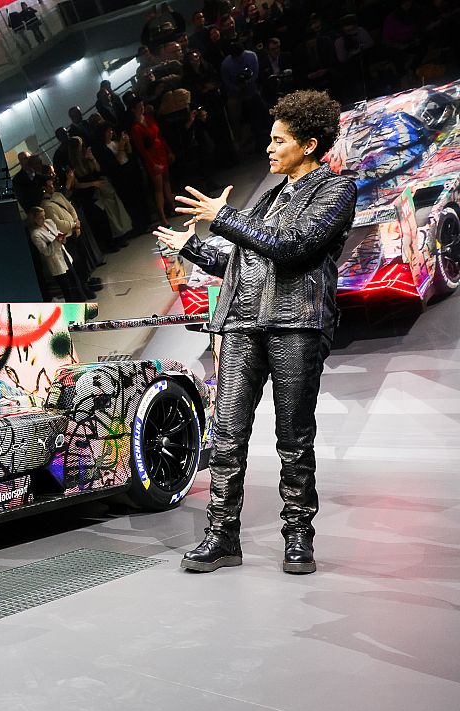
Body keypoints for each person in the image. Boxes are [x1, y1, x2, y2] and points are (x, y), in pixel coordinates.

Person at [154, 90, 355, 575]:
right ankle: (221, 538)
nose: (268, 147)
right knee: (226, 437)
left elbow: (290, 248)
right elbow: (244, 262)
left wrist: (223, 217)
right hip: (244, 324)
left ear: (308, 145)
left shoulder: (335, 192)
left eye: (278, 139)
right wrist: (193, 248)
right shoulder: (268, 198)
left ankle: (298, 539)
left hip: (295, 326)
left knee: (293, 438)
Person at [28, 207, 88, 302]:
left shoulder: (49, 222)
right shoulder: (36, 234)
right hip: (56, 261)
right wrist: (57, 241)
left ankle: (81, 300)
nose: (43, 219)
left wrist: (62, 238)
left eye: (44, 216)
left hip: (64, 255)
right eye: (40, 217)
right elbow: (46, 251)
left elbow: (57, 232)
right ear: (34, 219)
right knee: (67, 288)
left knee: (74, 280)